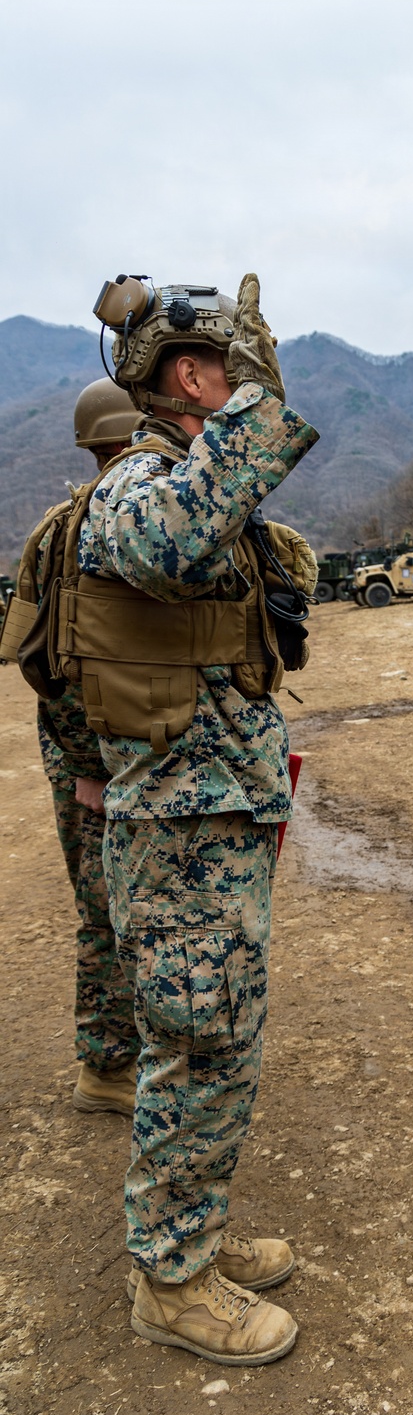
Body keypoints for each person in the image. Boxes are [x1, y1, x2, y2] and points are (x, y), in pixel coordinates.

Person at [72, 273, 320, 1364]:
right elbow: (172, 544)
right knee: (194, 1046)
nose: (248, 382)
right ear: (190, 375)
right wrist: (259, 403)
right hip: (179, 833)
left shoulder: (190, 481)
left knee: (218, 1045)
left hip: (213, 821)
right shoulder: (137, 485)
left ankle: (195, 1240)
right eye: (232, 366)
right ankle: (170, 1282)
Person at [17, 380, 142, 1116]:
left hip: (122, 755)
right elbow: (55, 669)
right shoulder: (80, 533)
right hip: (91, 762)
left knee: (136, 910)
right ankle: (105, 1067)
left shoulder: (108, 521)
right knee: (105, 912)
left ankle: (135, 1049)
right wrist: (90, 772)